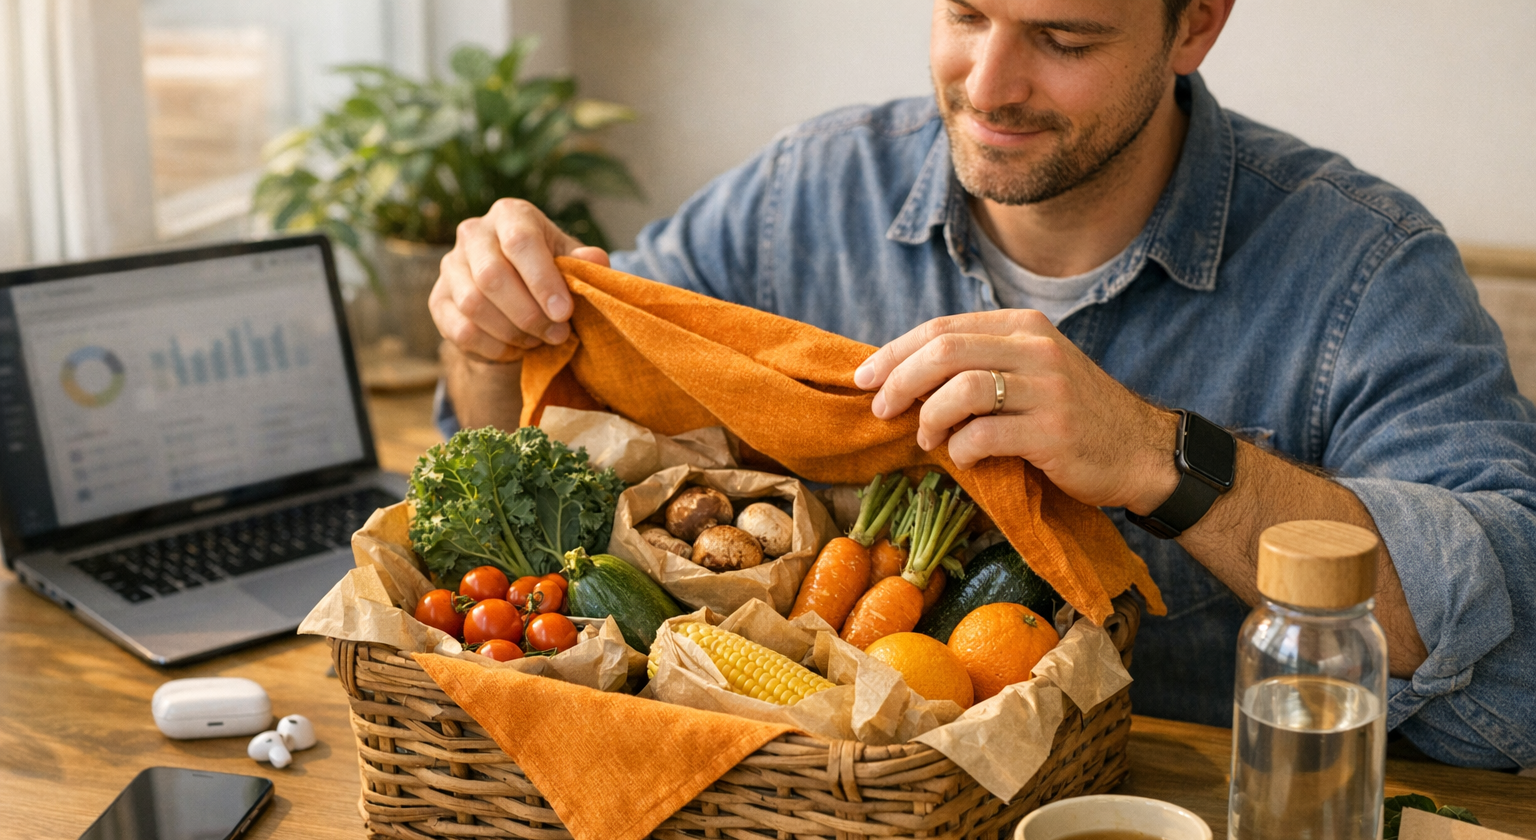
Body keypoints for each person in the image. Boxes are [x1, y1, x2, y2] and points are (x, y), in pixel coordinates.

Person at [427, 0, 1536, 770]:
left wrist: (1161, 458)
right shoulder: (801, 196)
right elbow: (546, 465)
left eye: (1064, 37)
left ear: (1195, 23)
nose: (990, 86)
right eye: (964, 16)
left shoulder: (1363, 266)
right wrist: (493, 338)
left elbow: (1515, 654)